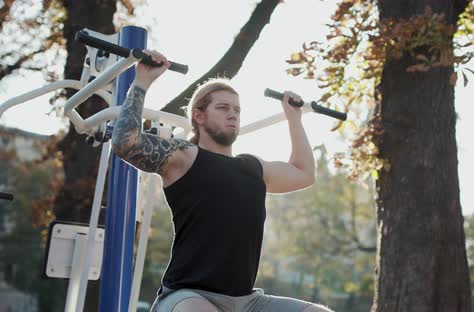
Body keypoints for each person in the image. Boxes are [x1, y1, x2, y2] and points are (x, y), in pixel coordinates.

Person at [111, 50, 333, 312]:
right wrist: (143, 81)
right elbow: (126, 144)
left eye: (237, 110)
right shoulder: (185, 157)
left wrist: (293, 118)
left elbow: (304, 173)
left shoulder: (254, 168)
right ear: (199, 116)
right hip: (187, 296)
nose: (233, 115)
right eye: (223, 108)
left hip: (247, 302)